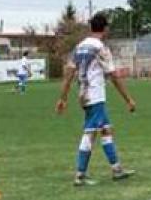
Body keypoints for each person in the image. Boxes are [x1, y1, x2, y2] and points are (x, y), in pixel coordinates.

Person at [56, 13, 137, 186]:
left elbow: (69, 73)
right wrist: (128, 99)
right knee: (90, 133)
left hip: (84, 95)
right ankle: (80, 175)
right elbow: (113, 76)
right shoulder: (100, 48)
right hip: (95, 95)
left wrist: (63, 98)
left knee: (105, 130)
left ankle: (116, 169)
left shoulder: (79, 47)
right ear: (105, 28)